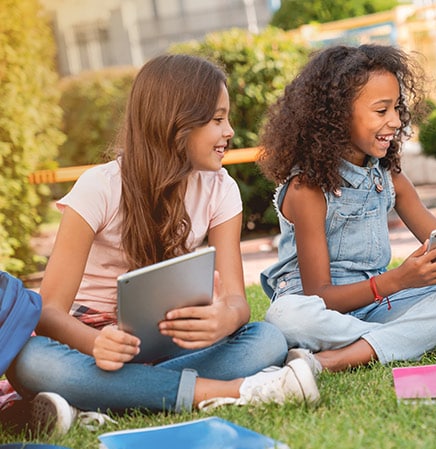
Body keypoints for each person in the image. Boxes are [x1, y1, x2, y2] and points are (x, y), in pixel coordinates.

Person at [7, 54, 319, 436]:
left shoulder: (221, 189)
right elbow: (50, 311)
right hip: (93, 344)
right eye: (217, 119)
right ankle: (230, 391)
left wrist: (226, 317)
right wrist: (96, 343)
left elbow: (237, 300)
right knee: (30, 361)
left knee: (267, 339)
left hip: (168, 341)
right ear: (175, 125)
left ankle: (101, 398)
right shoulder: (99, 187)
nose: (230, 132)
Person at [255, 44, 436, 374]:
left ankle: (345, 354)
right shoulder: (306, 188)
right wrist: (397, 280)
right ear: (336, 117)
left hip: (380, 304)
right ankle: (428, 337)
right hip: (324, 311)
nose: (395, 121)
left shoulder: (388, 175)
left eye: (397, 108)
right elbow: (319, 294)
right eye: (381, 111)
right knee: (287, 318)